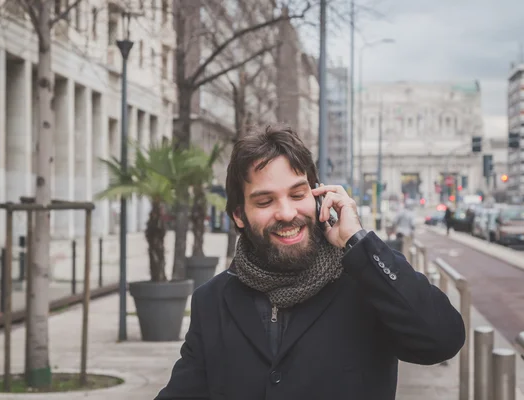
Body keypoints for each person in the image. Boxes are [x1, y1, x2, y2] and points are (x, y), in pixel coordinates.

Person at [156, 125, 465, 400]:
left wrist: (358, 241)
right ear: (239, 215)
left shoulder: (366, 282)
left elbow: (441, 340)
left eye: (298, 194)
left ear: (319, 196)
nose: (287, 213)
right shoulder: (212, 300)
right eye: (265, 201)